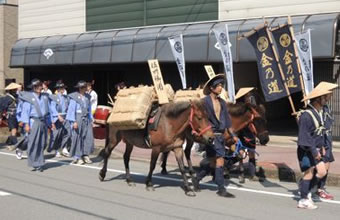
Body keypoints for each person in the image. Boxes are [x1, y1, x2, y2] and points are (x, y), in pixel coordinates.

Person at [196, 74, 238, 198]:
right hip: (210, 135)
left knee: (213, 163)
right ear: (211, 88)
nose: (220, 88)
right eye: (218, 86)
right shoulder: (204, 102)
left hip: (221, 136)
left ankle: (196, 179)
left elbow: (227, 121)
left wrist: (233, 135)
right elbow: (200, 119)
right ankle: (221, 188)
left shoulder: (223, 103)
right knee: (220, 160)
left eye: (221, 85)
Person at [296, 85, 332, 209]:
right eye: (326, 97)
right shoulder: (306, 115)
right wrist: (314, 151)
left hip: (315, 148)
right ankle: (303, 199)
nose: (327, 99)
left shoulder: (319, 112)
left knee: (321, 172)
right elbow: (304, 137)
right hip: (306, 149)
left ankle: (306, 190)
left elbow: (318, 133)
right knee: (309, 173)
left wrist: (321, 147)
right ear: (319, 98)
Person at [313, 82, 338, 200]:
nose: (331, 96)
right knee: (320, 165)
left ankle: (318, 186)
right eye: (329, 94)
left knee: (327, 164)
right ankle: (313, 186)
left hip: (327, 138)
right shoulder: (315, 107)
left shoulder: (326, 107)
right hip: (320, 138)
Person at [20, 79, 52, 172]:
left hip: (43, 121)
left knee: (42, 143)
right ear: (33, 87)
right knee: (34, 143)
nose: (38, 88)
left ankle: (40, 161)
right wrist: (26, 124)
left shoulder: (45, 97)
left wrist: (50, 123)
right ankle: (36, 163)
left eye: (39, 86)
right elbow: (25, 112)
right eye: (36, 86)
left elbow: (48, 111)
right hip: (33, 121)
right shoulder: (28, 98)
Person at [66, 80, 94, 165]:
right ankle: (77, 156)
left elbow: (89, 109)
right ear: (81, 88)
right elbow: (71, 110)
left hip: (86, 119)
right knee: (77, 137)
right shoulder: (74, 97)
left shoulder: (87, 97)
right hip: (77, 118)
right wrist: (73, 121)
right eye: (85, 87)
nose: (86, 88)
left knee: (88, 137)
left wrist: (91, 119)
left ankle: (86, 154)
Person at [235, 87, 259, 183]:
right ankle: (241, 173)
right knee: (240, 152)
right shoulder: (238, 107)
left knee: (251, 152)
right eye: (248, 94)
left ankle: (252, 174)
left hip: (250, 131)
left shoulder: (252, 106)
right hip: (241, 131)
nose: (250, 96)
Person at [48, 80, 71, 157]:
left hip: (65, 116)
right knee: (57, 134)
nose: (62, 89)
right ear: (57, 89)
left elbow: (68, 107)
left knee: (68, 132)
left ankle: (64, 147)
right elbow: (52, 108)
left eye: (63, 87)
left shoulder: (66, 97)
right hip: (57, 117)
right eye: (60, 87)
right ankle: (57, 149)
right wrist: (58, 116)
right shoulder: (54, 97)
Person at [0, 83, 22, 147]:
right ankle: (16, 144)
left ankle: (9, 141)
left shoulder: (18, 96)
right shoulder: (6, 98)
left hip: (17, 115)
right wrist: (0, 117)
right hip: (10, 115)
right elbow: (2, 108)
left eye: (15, 89)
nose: (15, 90)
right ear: (10, 90)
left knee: (16, 130)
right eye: (13, 89)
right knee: (13, 129)